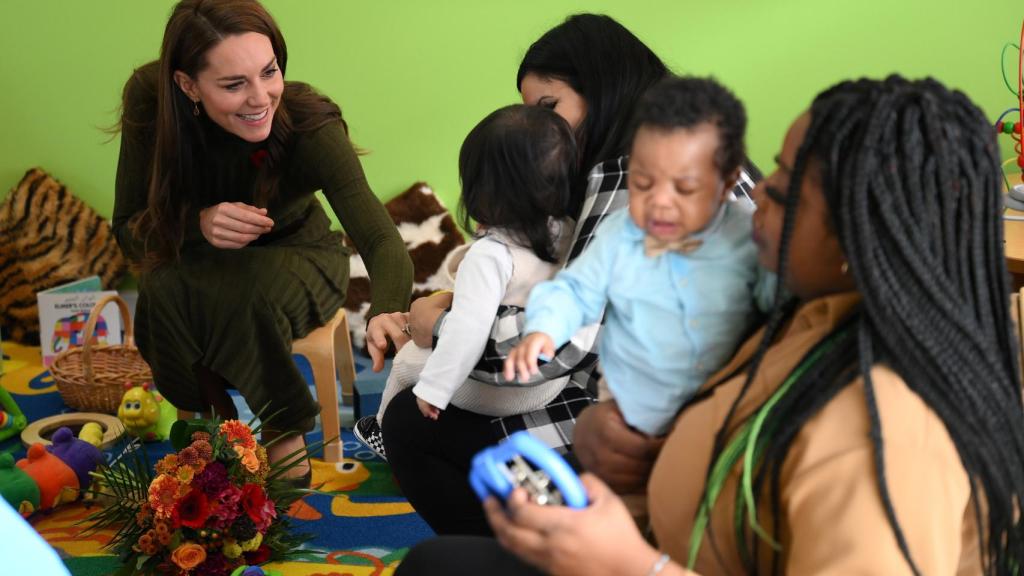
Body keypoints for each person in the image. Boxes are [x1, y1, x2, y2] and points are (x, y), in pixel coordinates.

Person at [394, 76, 1024, 575]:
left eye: (785, 186)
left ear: (855, 241)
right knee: (435, 563)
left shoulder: (882, 430)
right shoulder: (803, 318)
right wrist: (619, 452)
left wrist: (630, 564)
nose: (757, 190)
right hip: (656, 543)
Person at [370, 14, 760, 536]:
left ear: (602, 86)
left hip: (661, 430)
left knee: (409, 425)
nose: (543, 130)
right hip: (690, 407)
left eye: (550, 108)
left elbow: (555, 348)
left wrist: (436, 330)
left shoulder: (630, 180)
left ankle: (522, 559)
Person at [111, 0, 412, 481]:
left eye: (269, 72)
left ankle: (283, 434)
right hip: (200, 256)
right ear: (188, 85)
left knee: (241, 294)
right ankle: (216, 424)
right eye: (234, 84)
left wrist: (386, 311)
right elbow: (127, 228)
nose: (261, 98)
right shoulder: (152, 100)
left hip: (301, 255)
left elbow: (379, 237)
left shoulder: (311, 124)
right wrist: (198, 224)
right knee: (162, 286)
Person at [505, 76, 775, 442]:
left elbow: (780, 306)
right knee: (600, 448)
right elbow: (576, 289)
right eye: (644, 184)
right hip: (629, 398)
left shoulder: (746, 239)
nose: (660, 201)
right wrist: (545, 327)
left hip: (717, 401)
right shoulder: (622, 232)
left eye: (684, 188)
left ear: (726, 184)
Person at [355, 104, 577, 459]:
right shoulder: (568, 231)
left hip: (498, 393)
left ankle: (381, 432)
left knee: (407, 360)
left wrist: (434, 390)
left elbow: (467, 330)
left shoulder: (489, 256)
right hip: (550, 382)